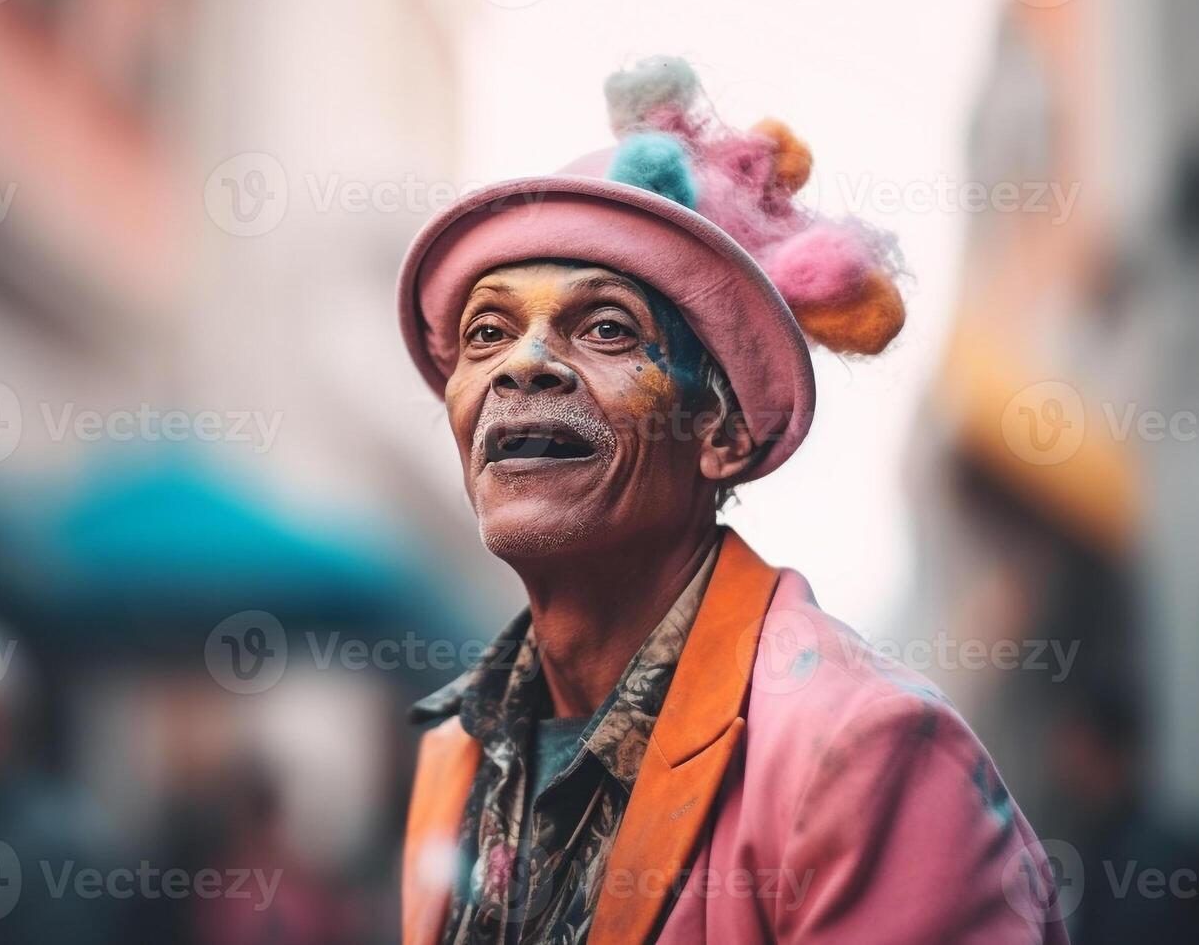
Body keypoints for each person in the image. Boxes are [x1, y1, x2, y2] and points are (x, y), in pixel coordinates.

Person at [396, 56, 1069, 944]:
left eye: (604, 327)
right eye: (487, 330)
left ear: (720, 433)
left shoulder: (863, 754)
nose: (522, 363)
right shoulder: (455, 753)